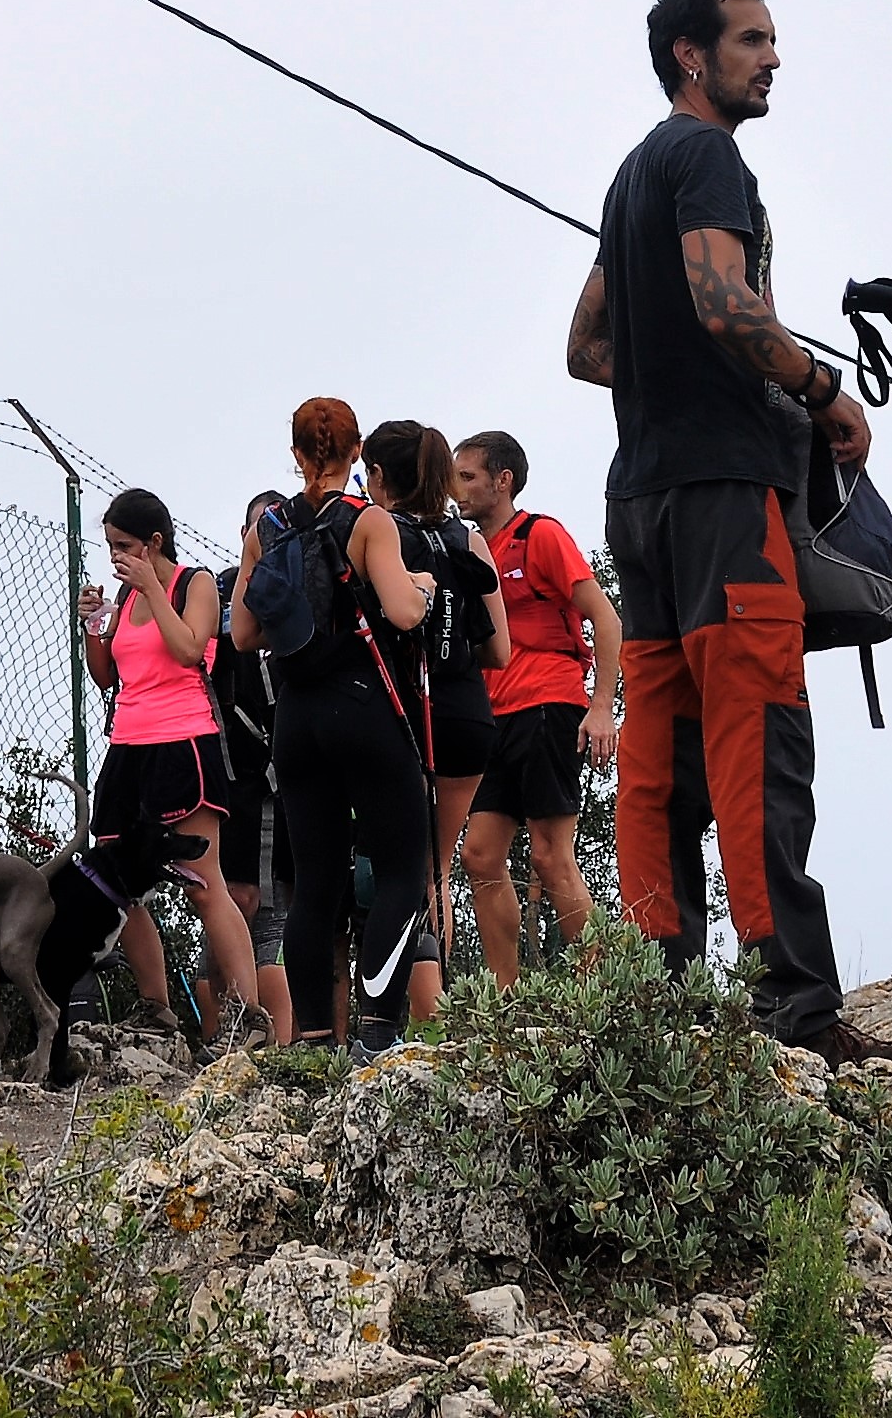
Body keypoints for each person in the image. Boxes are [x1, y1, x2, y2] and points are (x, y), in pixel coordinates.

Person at [564, 0, 880, 1061]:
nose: (773, 57)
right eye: (752, 40)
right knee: (756, 733)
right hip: (720, 500)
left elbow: (585, 347)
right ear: (692, 57)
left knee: (657, 759)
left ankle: (657, 1007)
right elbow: (722, 298)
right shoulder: (706, 156)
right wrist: (820, 391)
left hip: (639, 500)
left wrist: (672, 382)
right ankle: (796, 1008)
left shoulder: (630, 173)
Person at [235, 396, 438, 1050]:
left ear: (295, 454)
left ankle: (316, 1039)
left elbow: (242, 634)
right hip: (361, 707)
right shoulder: (367, 521)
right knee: (402, 871)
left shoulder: (265, 529)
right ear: (356, 453)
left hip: (295, 719)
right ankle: (376, 1031)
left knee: (315, 886)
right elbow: (404, 612)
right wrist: (424, 585)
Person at [80, 485, 262, 1045]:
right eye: (111, 546)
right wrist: (95, 625)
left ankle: (249, 1016)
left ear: (154, 542)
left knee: (203, 882)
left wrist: (154, 589)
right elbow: (106, 676)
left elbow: (189, 649)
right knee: (115, 878)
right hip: (128, 744)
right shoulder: (126, 596)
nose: (116, 556)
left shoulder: (193, 584)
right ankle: (155, 1006)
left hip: (183, 740)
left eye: (124, 545)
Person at [456, 429, 622, 983]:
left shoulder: (539, 535)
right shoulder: (468, 549)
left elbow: (606, 618)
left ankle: (604, 990)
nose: (458, 489)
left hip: (548, 703)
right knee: (480, 855)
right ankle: (505, 1000)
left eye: (468, 477)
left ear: (502, 481)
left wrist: (602, 707)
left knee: (551, 856)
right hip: (491, 716)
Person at [359, 417, 508, 1021]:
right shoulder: (467, 539)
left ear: (379, 475)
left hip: (402, 716)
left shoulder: (378, 535)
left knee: (399, 870)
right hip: (466, 714)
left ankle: (413, 1015)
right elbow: (500, 650)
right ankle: (435, 1013)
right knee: (435, 868)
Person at [208, 485, 300, 1047]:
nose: (264, 538)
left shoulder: (302, 588)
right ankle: (220, 1041)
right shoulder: (218, 591)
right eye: (256, 528)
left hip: (270, 776)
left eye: (275, 527)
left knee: (263, 909)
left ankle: (278, 1047)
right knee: (227, 903)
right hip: (222, 771)